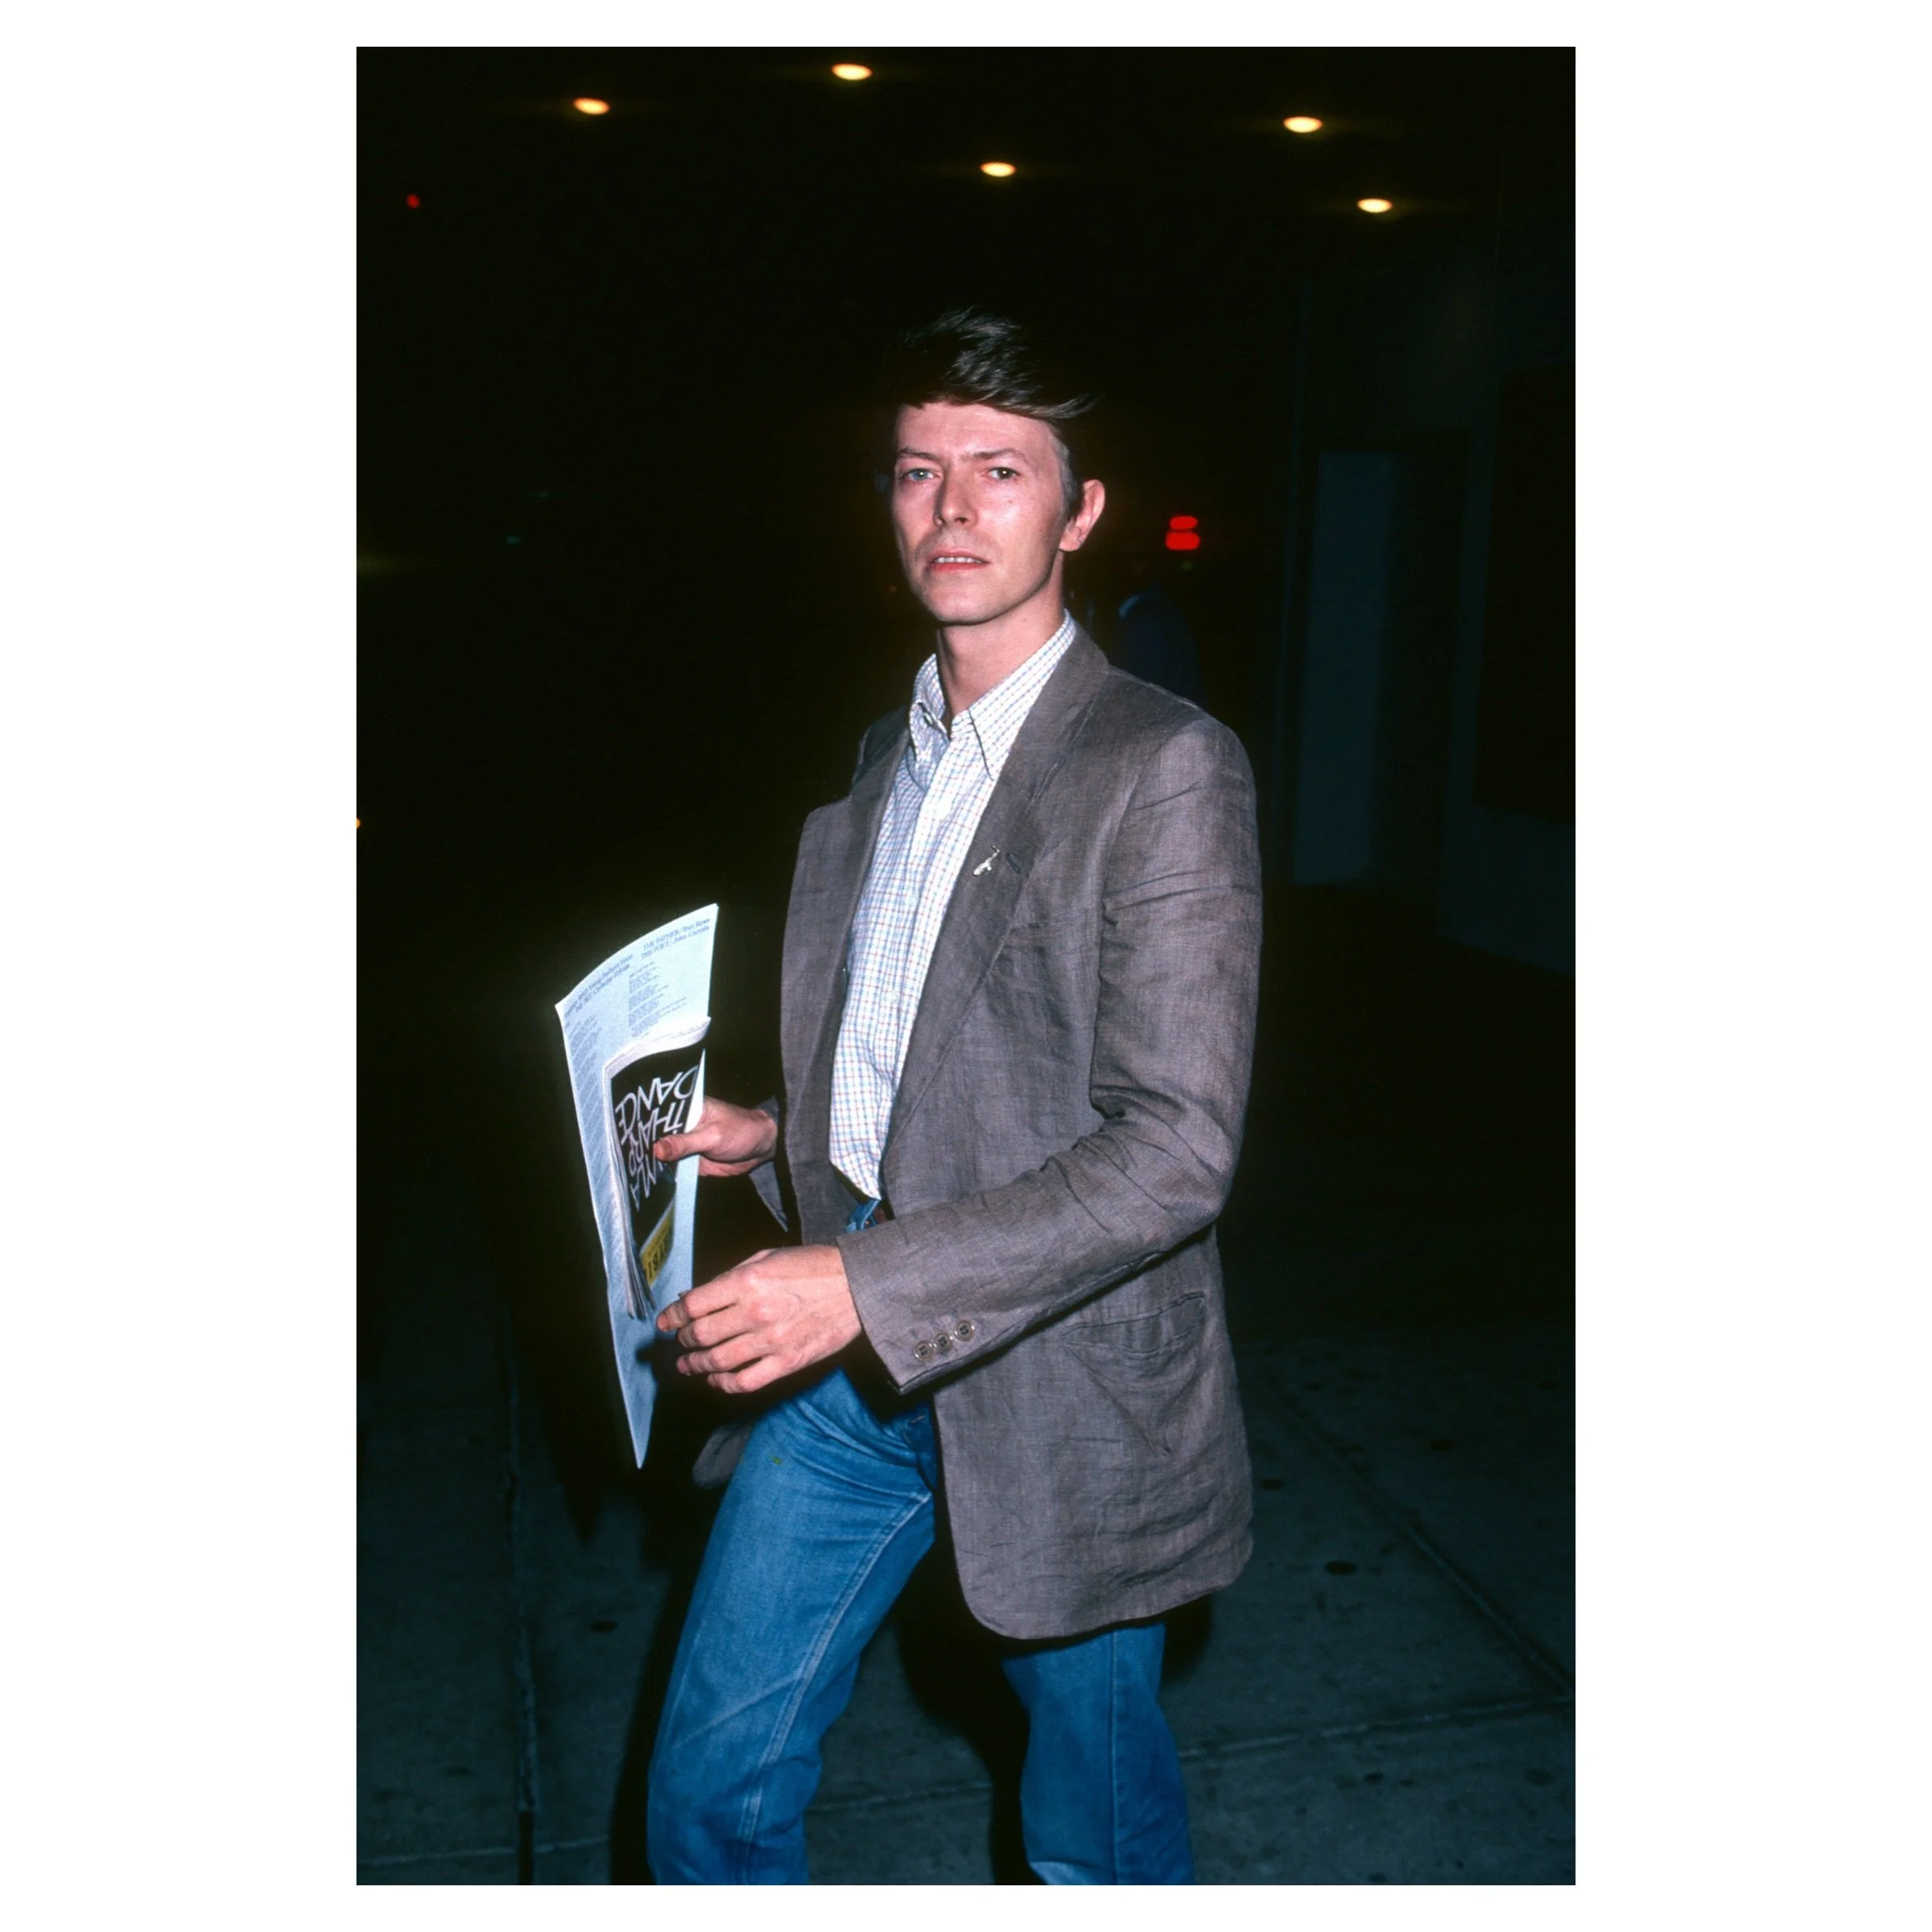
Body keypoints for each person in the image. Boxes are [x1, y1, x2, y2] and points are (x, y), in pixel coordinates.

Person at [642, 309, 1261, 1885]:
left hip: (1055, 1391)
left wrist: (854, 1275)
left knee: (1093, 1844)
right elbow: (936, 1057)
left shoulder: (1160, 766)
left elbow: (1175, 1151)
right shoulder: (881, 761)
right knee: (708, 1791)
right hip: (855, 1391)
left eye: (1001, 470)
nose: (953, 509)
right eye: (919, 473)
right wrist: (774, 1138)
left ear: (1083, 507)